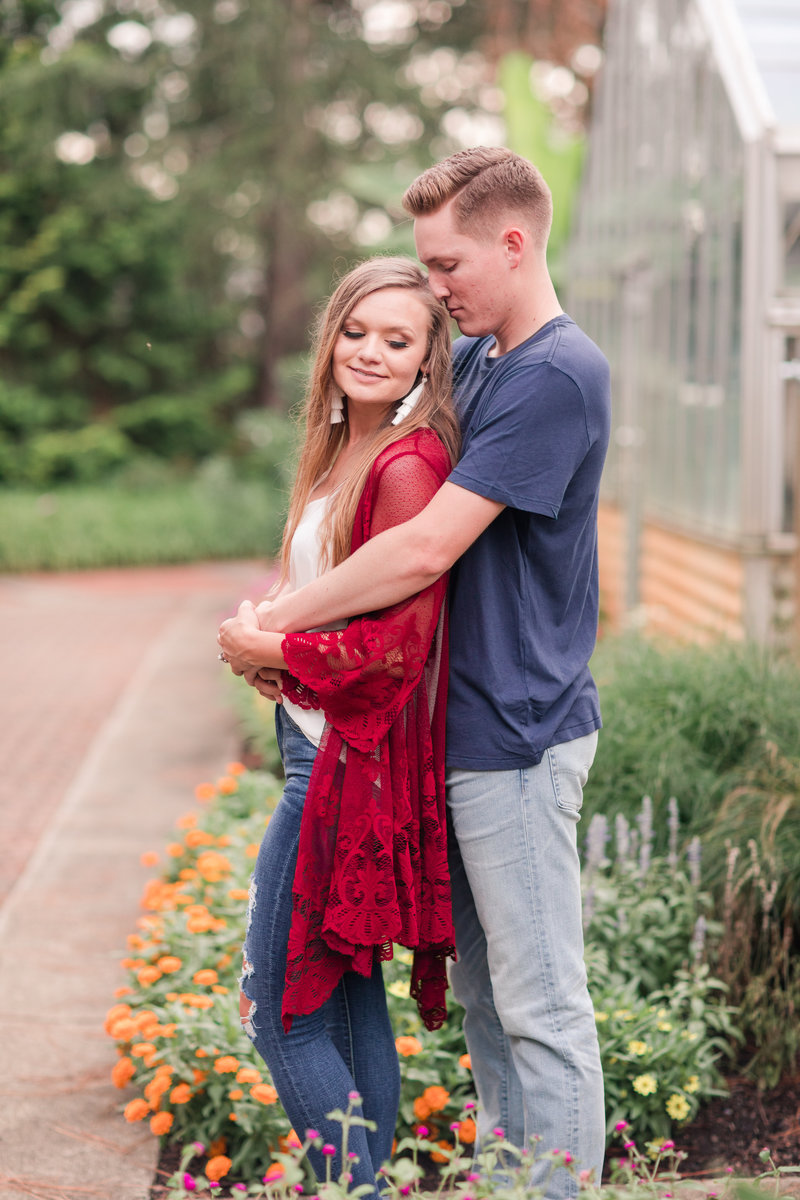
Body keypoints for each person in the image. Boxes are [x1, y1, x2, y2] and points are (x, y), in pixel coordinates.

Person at [247, 148, 611, 1196]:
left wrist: (274, 631)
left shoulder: (551, 372)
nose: (434, 287)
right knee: (494, 1007)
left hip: (517, 732)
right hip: (456, 737)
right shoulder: (490, 362)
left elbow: (417, 552)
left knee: (539, 1007)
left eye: (445, 264)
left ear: (510, 242)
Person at [216, 256, 460, 1196]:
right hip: (317, 749)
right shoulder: (346, 451)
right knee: (351, 1002)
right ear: (331, 338)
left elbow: (397, 649)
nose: (370, 352)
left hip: (340, 766)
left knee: (278, 1012)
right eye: (357, 331)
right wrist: (264, 639)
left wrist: (273, 653)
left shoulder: (408, 465)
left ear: (427, 359)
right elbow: (327, 604)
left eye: (397, 340)